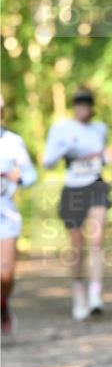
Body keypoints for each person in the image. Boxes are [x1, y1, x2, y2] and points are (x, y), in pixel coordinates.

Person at [43, 88, 112, 320]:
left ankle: (96, 296)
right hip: (72, 189)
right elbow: (47, 162)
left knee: (96, 240)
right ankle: (79, 295)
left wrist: (106, 157)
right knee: (77, 248)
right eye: (78, 104)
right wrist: (67, 146)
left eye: (86, 104)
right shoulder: (61, 129)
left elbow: (101, 160)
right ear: (74, 106)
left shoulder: (100, 129)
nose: (82, 108)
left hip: (95, 185)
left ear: (92, 107)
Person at [0, 94, 37, 335]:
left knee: (6, 273)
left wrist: (18, 178)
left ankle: (3, 303)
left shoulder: (13, 142)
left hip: (6, 214)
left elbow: (32, 176)